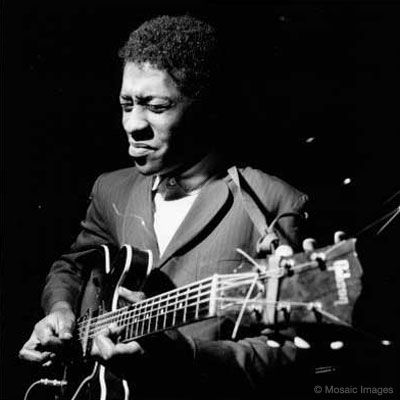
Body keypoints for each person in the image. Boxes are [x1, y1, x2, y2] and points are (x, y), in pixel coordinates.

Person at [19, 15, 311, 399]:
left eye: (155, 107)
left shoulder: (273, 202)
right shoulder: (112, 189)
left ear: (204, 108)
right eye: (126, 104)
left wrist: (185, 357)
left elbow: (290, 356)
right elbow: (73, 264)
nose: (133, 124)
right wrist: (60, 310)